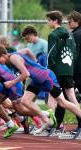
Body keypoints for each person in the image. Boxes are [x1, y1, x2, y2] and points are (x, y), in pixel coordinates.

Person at [0, 40, 56, 138]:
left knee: (21, 111)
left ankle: (47, 113)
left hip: (13, 85)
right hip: (6, 85)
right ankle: (11, 125)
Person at [0, 44, 81, 135]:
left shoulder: (14, 58)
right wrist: (36, 62)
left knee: (62, 102)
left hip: (46, 78)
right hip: (37, 80)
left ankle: (47, 119)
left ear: (2, 55)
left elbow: (26, 74)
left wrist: (12, 82)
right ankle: (47, 120)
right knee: (25, 101)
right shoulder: (14, 54)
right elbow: (27, 50)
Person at [46, 10, 81, 138]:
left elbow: (51, 55)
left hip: (57, 71)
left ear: (55, 20)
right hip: (68, 70)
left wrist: (49, 70)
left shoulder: (53, 35)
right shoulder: (69, 35)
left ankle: (51, 126)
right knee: (71, 97)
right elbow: (74, 53)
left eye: (49, 20)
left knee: (52, 97)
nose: (47, 22)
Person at [22, 25, 49, 101]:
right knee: (28, 92)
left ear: (32, 34)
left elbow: (46, 59)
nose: (27, 40)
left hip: (41, 71)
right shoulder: (29, 45)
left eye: (27, 38)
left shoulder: (44, 44)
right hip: (32, 71)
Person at [67, 10, 81, 134]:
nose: (68, 23)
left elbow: (74, 55)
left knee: (69, 97)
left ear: (76, 21)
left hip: (77, 71)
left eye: (69, 21)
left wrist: (70, 70)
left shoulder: (76, 35)